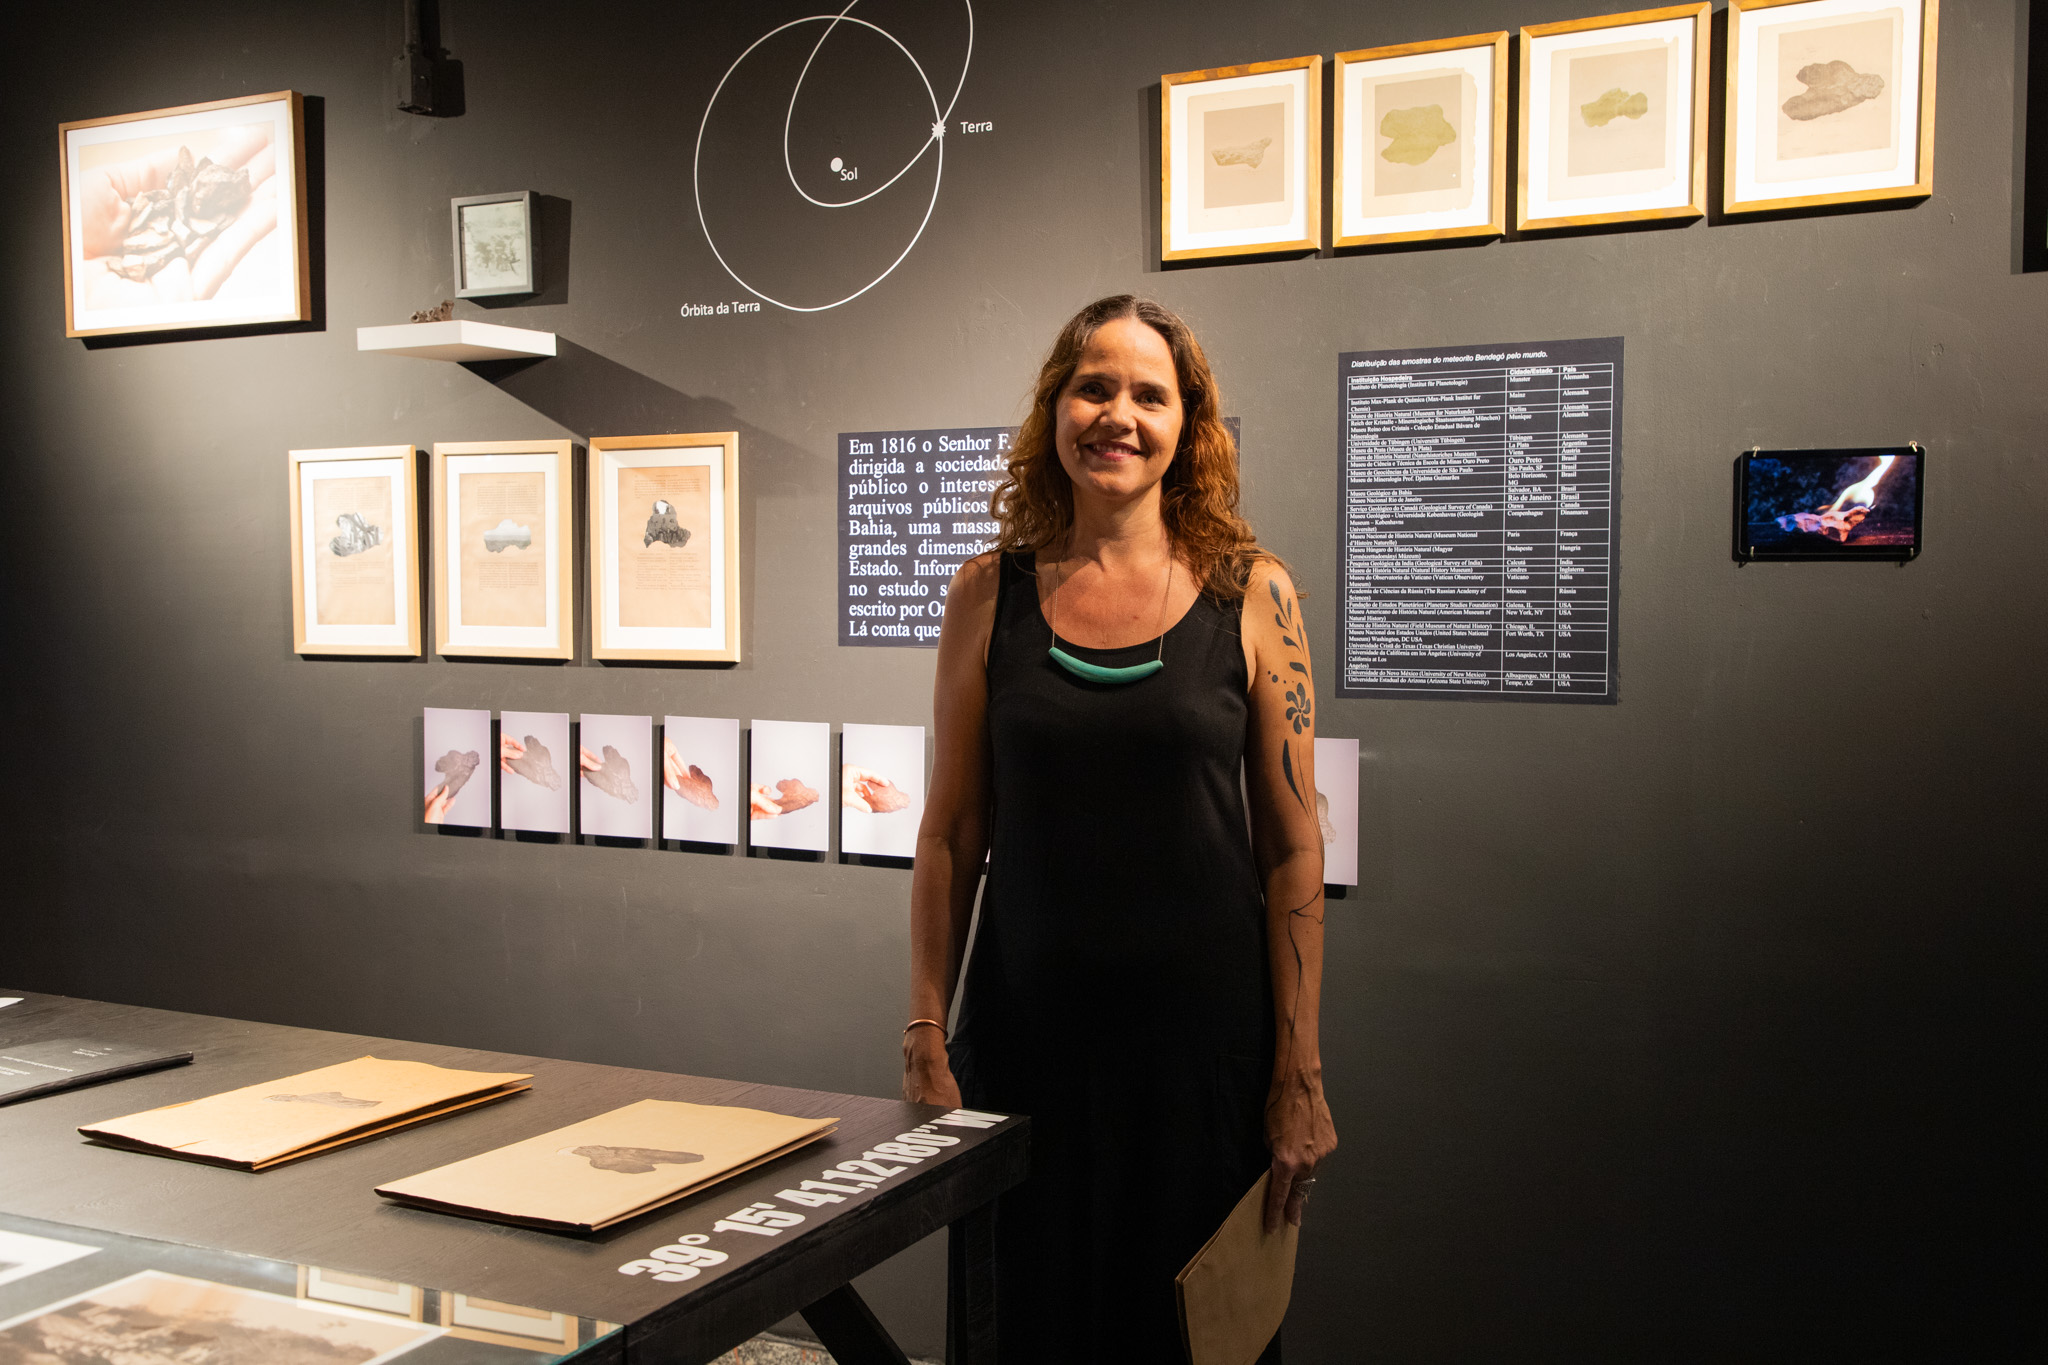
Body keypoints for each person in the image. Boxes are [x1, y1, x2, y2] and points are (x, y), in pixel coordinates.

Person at [902, 295, 1337, 1362]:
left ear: (1188, 424)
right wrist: (924, 1028)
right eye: (1093, 387)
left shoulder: (1254, 594)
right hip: (1025, 1053)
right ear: (1054, 408)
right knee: (1025, 1327)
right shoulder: (986, 595)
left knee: (1191, 1339)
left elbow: (1292, 848)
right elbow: (950, 833)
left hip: (1203, 1065)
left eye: (1150, 394)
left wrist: (1298, 1072)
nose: (1119, 416)